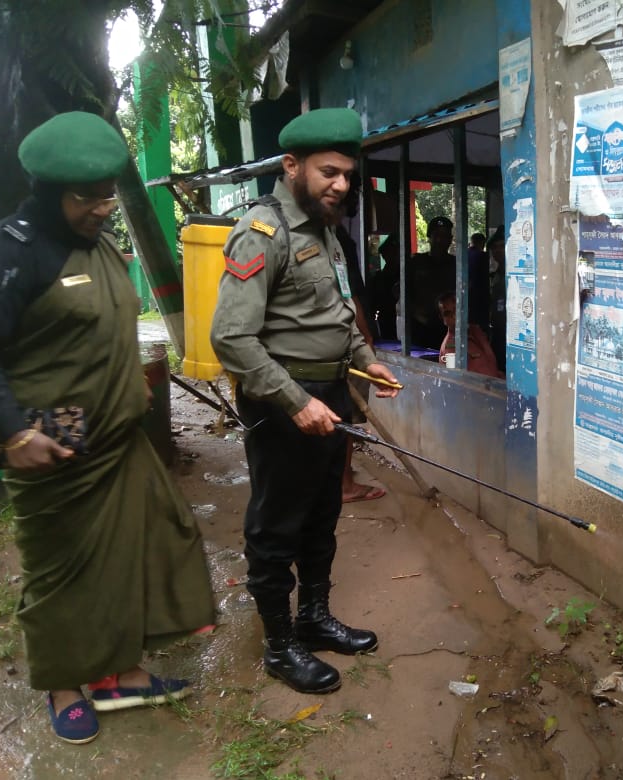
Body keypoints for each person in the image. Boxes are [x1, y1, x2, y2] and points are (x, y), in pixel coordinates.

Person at [0, 112, 215, 744]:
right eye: (89, 197)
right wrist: (13, 433)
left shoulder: (100, 243)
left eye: (109, 194)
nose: (104, 208)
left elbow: (106, 321)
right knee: (59, 573)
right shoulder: (12, 249)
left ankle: (119, 674)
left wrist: (131, 381)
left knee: (136, 552)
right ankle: (64, 684)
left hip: (118, 440)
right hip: (53, 444)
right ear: (49, 190)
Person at [210, 107, 401, 695]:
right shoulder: (261, 232)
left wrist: (366, 358)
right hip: (282, 399)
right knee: (276, 525)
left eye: (347, 174)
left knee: (322, 513)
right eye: (328, 172)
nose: (341, 185)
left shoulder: (325, 230)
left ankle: (314, 619)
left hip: (329, 395)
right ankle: (278, 645)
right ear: (292, 166)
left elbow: (336, 313)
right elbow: (231, 337)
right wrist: (296, 403)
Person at [334, 180, 385, 504]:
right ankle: (344, 484)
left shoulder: (333, 237)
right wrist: (365, 338)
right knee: (347, 418)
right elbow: (349, 294)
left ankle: (340, 478)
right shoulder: (335, 240)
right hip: (345, 342)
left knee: (342, 418)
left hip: (342, 339)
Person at [405, 215, 456, 349]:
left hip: (448, 329)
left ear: (450, 239)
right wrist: (415, 312)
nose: (440, 240)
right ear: (429, 237)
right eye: (436, 235)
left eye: (445, 236)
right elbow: (402, 291)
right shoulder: (416, 262)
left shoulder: (456, 264)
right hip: (420, 328)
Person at [437, 291, 503, 378]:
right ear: (442, 318)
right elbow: (457, 380)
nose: (454, 316)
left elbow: (490, 362)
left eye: (457, 309)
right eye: (447, 313)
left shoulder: (476, 331)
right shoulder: (449, 347)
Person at [487, 225, 507, 373]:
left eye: (502, 246)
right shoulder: (497, 274)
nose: (497, 250)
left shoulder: (513, 273)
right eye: (494, 247)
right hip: (497, 331)